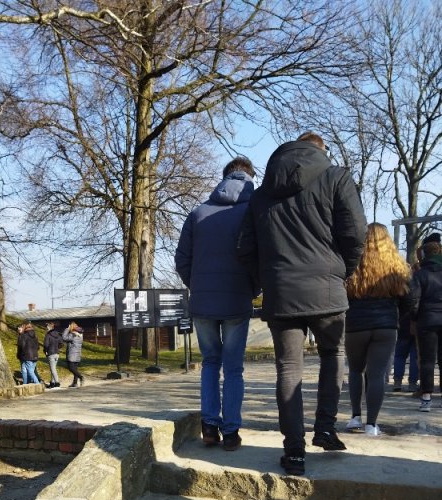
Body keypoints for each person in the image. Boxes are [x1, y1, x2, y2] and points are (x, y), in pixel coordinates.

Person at [238, 131, 367, 475]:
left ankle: (293, 450)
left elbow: (245, 247)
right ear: (321, 151)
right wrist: (342, 270)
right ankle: (325, 428)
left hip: (281, 292)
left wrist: (268, 279)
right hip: (327, 288)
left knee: (288, 368)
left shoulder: (261, 194)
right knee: (333, 354)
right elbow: (355, 232)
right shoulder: (336, 177)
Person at [175, 156, 256, 451]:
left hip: (203, 302)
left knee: (210, 363)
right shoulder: (252, 212)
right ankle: (231, 432)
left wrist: (198, 286)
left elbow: (182, 259)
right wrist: (252, 288)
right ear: (249, 178)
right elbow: (259, 257)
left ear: (224, 178)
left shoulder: (198, 213)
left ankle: (209, 426)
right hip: (237, 299)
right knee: (233, 368)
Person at [344, 223, 411, 436]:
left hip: (356, 325)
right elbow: (409, 300)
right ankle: (371, 425)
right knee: (377, 375)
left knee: (355, 370)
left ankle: (355, 417)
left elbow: (342, 293)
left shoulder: (352, 264)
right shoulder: (397, 267)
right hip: (386, 326)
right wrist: (395, 317)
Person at [410, 231, 442, 411]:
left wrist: (415, 317)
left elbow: (414, 300)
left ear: (424, 254)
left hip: (427, 320)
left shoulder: (420, 274)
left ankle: (427, 399)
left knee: (427, 360)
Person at [62, 321, 84, 387]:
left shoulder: (73, 335)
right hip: (78, 354)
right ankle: (75, 383)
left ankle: (81, 377)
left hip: (72, 354)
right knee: (75, 369)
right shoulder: (80, 335)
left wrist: (67, 329)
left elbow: (64, 338)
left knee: (71, 368)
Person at [43, 321, 62, 388]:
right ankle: (52, 382)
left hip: (50, 353)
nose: (46, 328)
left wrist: (45, 350)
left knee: (53, 369)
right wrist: (58, 348)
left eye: (47, 327)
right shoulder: (58, 334)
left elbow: (46, 344)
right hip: (57, 353)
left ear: (49, 328)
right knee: (53, 368)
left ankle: (57, 382)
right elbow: (61, 343)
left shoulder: (48, 335)